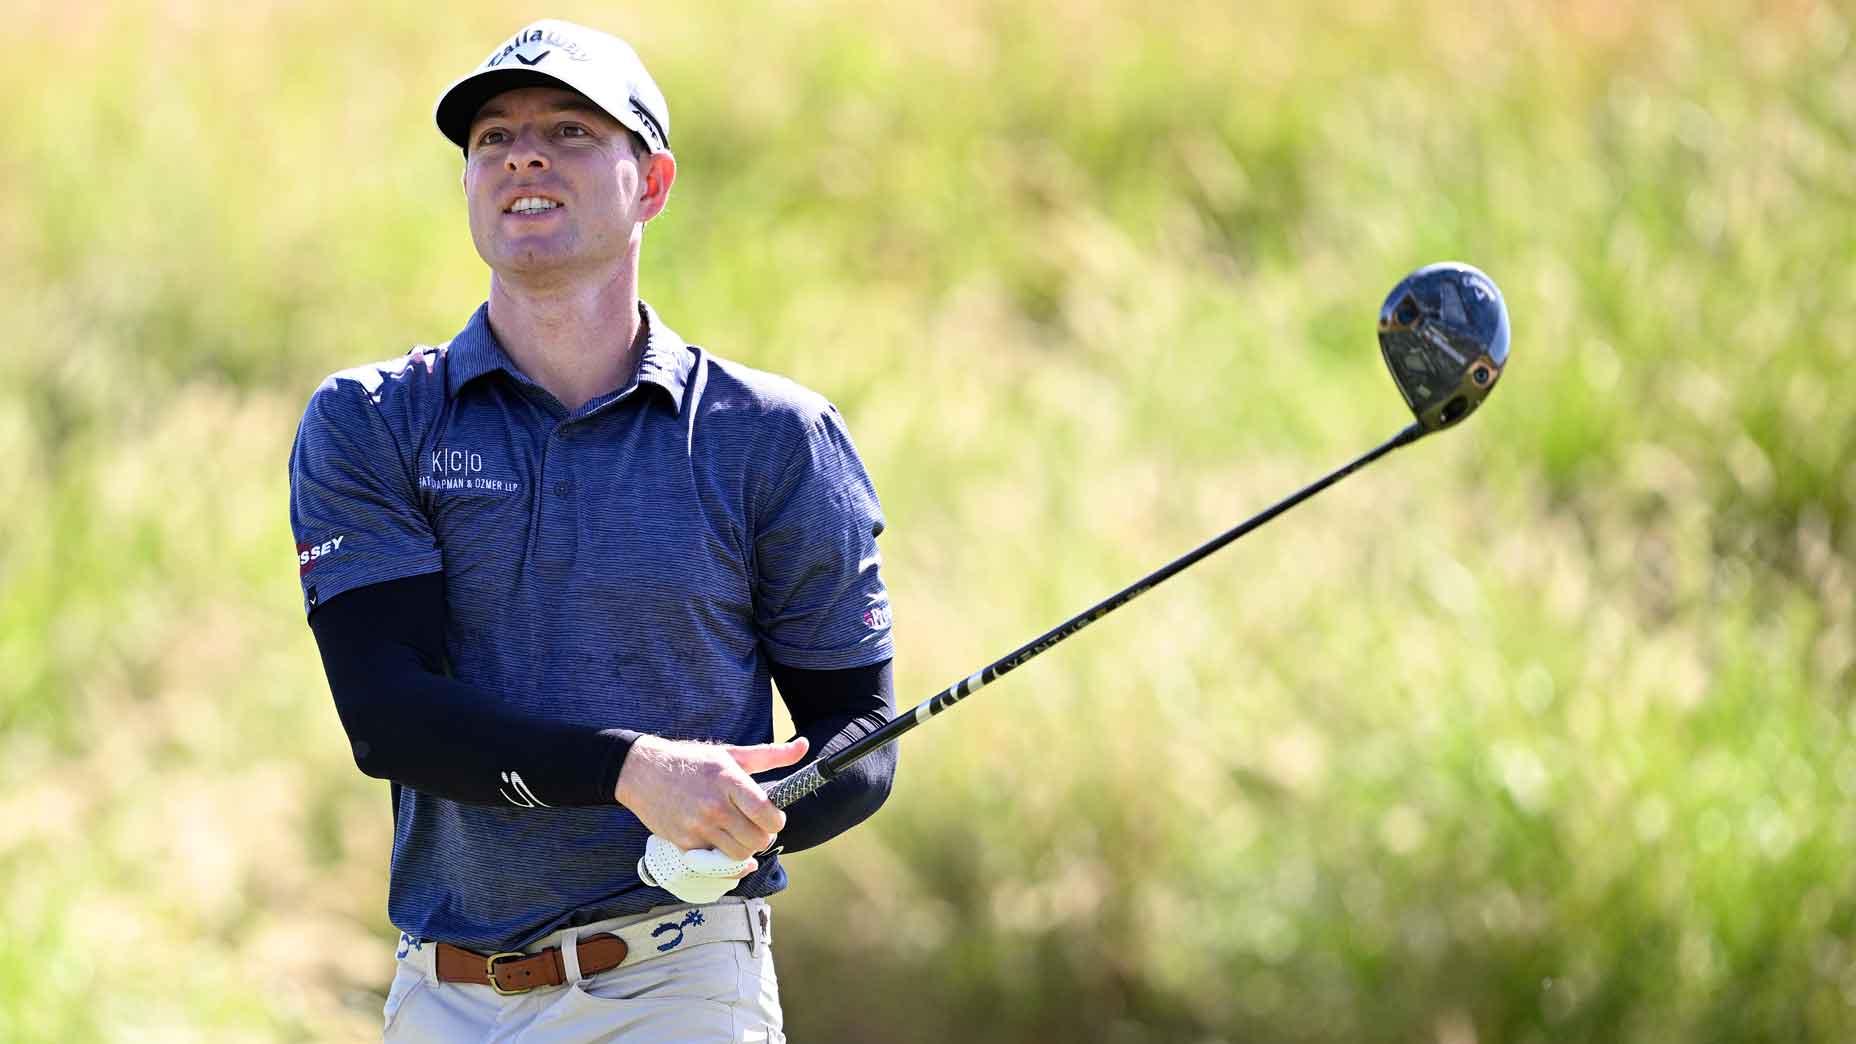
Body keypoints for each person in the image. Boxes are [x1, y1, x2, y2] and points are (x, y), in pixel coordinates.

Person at [288, 18, 898, 1041]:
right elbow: (388, 715)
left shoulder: (772, 436)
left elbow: (860, 732)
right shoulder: (371, 420)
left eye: (569, 130)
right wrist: (638, 774)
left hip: (677, 977)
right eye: (492, 138)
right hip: (442, 991)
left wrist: (742, 817)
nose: (522, 152)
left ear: (650, 183)